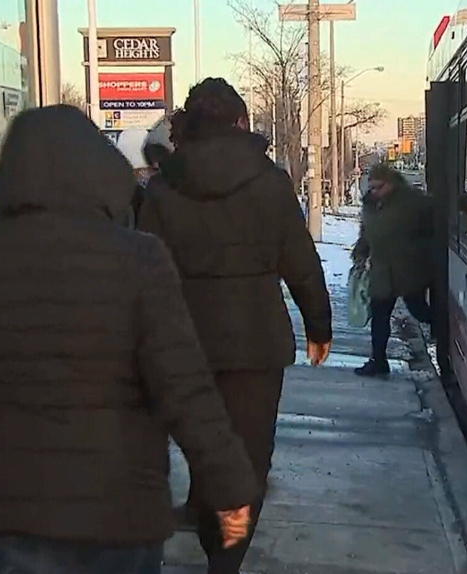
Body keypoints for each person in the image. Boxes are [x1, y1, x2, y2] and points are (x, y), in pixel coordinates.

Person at [0, 104, 260, 574]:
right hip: (115, 508)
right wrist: (230, 490)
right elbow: (183, 388)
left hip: (2, 507)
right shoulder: (138, 259)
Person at [137, 78, 333, 573]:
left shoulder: (163, 188)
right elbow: (301, 261)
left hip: (182, 342)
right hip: (255, 345)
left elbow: (141, 268)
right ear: (241, 122)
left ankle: (205, 517)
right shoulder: (269, 182)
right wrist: (318, 325)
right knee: (246, 457)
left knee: (203, 440)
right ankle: (226, 558)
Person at [351, 163, 434, 377]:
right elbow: (366, 234)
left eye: (379, 187)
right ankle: (378, 360)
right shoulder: (371, 206)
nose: (374, 192)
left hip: (409, 269)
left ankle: (442, 334)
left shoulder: (413, 202)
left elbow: (431, 231)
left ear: (391, 184)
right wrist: (360, 253)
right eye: (372, 188)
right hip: (382, 271)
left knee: (419, 310)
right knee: (379, 317)